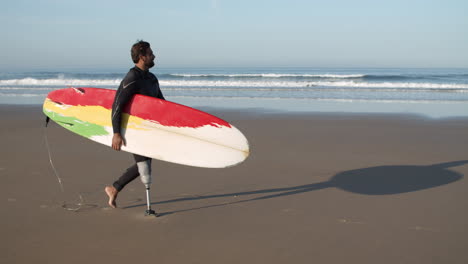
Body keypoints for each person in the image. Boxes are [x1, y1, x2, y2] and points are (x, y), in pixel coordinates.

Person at [105, 40, 165, 209]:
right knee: (144, 166)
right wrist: (116, 133)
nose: (154, 56)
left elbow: (161, 104)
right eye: (150, 53)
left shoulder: (152, 78)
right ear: (142, 57)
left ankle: (114, 188)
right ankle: (147, 208)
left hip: (148, 128)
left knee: (145, 162)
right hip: (133, 128)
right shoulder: (132, 77)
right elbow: (117, 104)